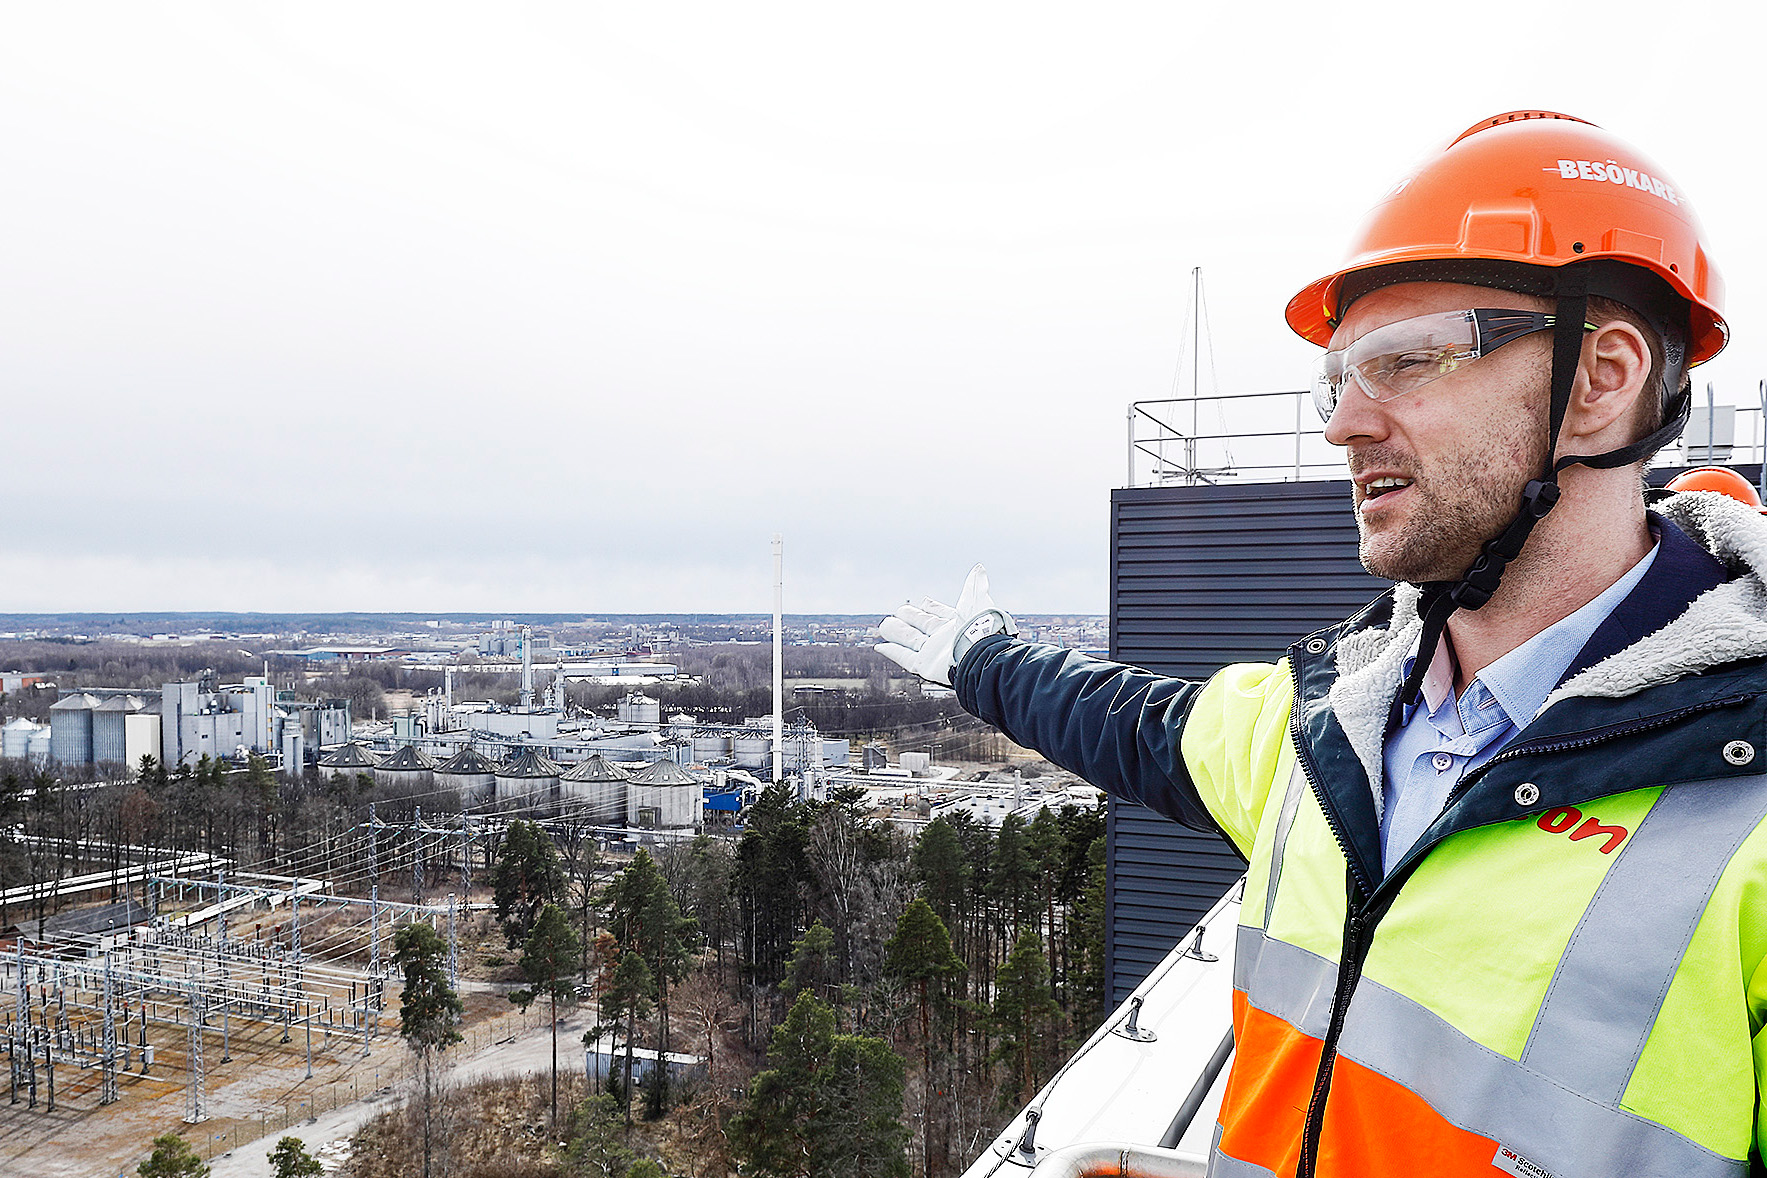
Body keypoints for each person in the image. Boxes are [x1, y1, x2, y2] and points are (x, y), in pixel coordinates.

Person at [877, 111, 1767, 1177]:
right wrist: (983, 656)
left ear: (1600, 379)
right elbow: (1136, 723)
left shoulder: (1743, 823)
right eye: (1337, 379)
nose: (1342, 422)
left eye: (1403, 360)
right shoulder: (1325, 729)